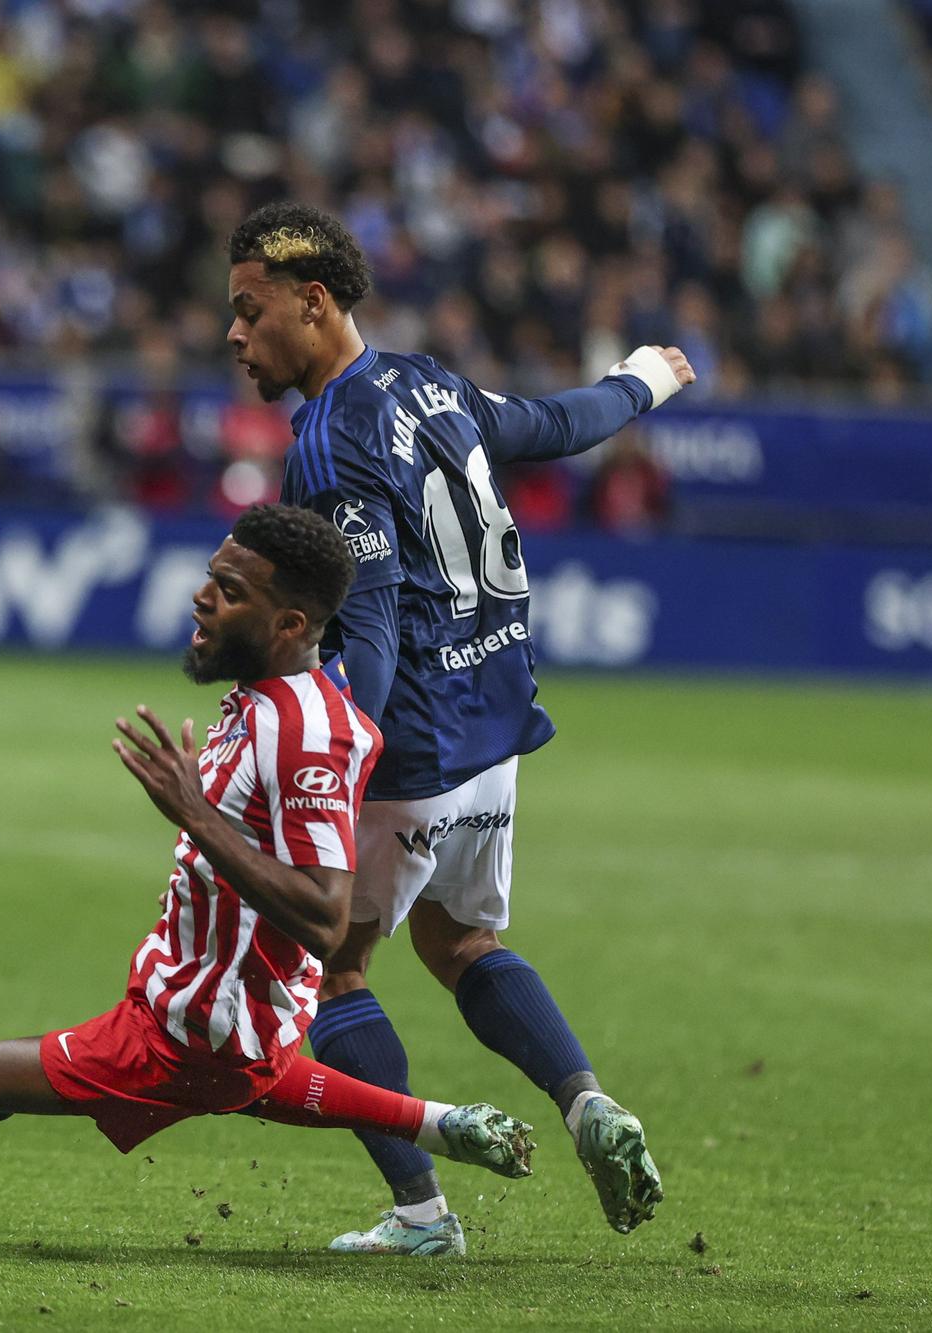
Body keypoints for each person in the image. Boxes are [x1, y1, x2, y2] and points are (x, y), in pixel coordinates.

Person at [223, 201, 695, 1254]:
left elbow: (376, 627)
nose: (233, 334)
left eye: (249, 311)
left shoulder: (335, 440)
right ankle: (586, 1102)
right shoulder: (426, 380)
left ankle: (420, 1213)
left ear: (313, 302)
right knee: (457, 939)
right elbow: (551, 424)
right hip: (494, 729)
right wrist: (644, 381)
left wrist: (334, 761)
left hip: (416, 741)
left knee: (324, 965)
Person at [0, 506, 537, 1205]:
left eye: (230, 589)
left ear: (289, 626)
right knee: (247, 1069)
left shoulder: (302, 735)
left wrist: (193, 812)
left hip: (195, 1027)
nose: (202, 596)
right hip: (225, 1007)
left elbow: (324, 917)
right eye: (210, 577)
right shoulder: (265, 695)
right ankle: (438, 1124)